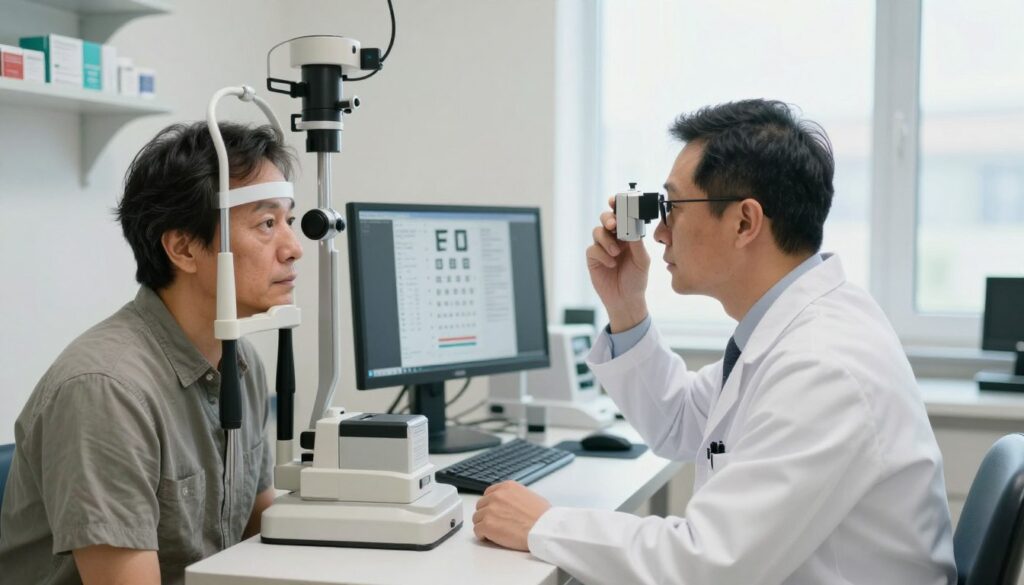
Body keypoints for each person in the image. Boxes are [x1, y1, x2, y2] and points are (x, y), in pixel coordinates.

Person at [472, 99, 957, 585]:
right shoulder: (788, 330)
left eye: (672, 208)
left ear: (745, 222)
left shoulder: (823, 365)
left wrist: (545, 524)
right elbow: (681, 421)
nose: (659, 233)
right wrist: (626, 308)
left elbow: (710, 564)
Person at [0, 122, 303, 585]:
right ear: (183, 247)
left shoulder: (242, 363)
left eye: (289, 220)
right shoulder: (107, 390)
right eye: (266, 224)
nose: (293, 249)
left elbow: (261, 536)